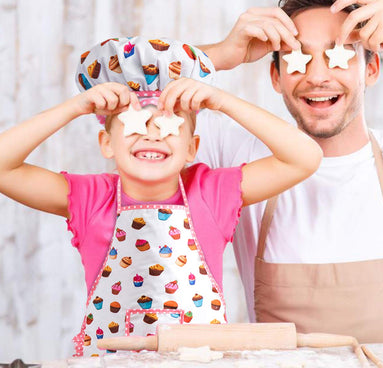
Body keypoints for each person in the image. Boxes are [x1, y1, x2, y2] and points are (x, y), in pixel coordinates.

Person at [0, 36, 321, 356]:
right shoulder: (91, 199)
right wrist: (74, 107)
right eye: (135, 124)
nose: (151, 134)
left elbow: (304, 157)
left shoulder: (211, 193)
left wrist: (221, 101)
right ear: (106, 142)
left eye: (168, 125)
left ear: (192, 148)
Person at [195, 0, 383, 343]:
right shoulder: (238, 154)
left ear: (371, 69)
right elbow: (113, 96)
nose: (318, 77)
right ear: (276, 77)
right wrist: (218, 55)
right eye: (297, 58)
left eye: (339, 56)